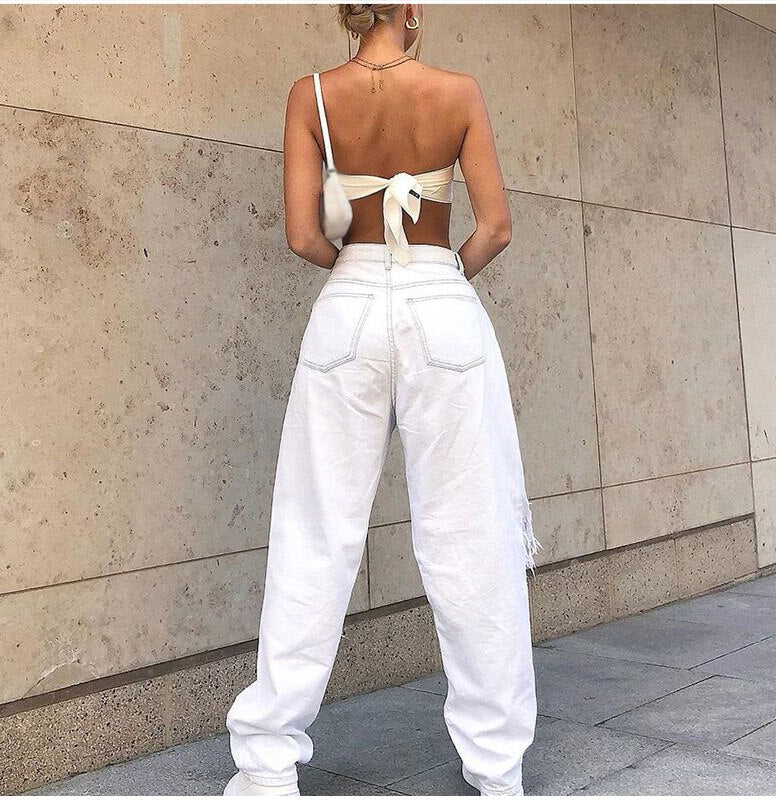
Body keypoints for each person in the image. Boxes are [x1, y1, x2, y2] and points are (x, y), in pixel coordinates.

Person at [224, 3, 541, 796]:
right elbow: (496, 227)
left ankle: (266, 768)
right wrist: (439, 276)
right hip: (442, 303)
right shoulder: (458, 91)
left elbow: (303, 235)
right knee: (472, 536)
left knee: (314, 532)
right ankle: (497, 769)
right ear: (410, 8)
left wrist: (362, 275)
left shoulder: (312, 95)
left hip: (349, 305)